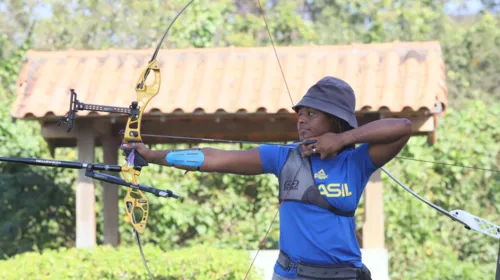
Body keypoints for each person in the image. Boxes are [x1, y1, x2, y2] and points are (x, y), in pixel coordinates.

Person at [123, 76, 412, 280]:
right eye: (300, 114)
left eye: (311, 114)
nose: (301, 120)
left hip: (344, 274)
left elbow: (402, 127)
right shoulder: (283, 157)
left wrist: (342, 140)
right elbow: (213, 158)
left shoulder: (357, 162)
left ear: (336, 120)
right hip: (290, 274)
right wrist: (153, 156)